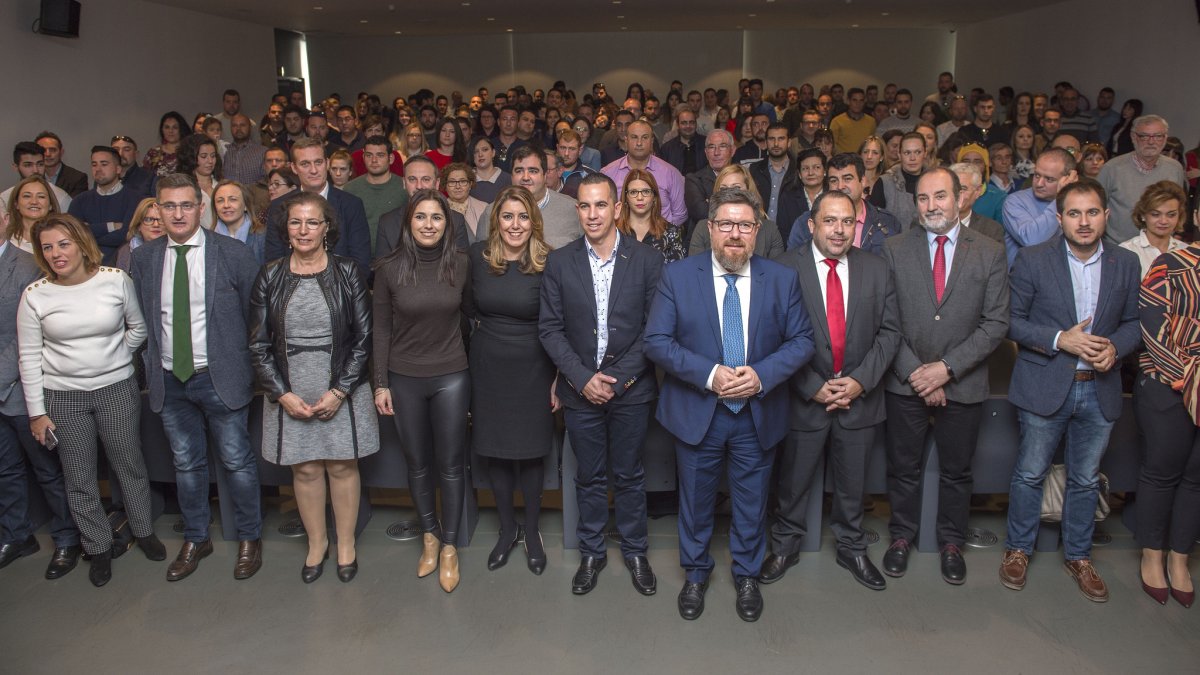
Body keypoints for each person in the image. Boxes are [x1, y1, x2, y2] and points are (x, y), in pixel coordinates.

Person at [644, 186, 813, 621]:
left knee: (752, 501)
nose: (734, 234)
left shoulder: (781, 279)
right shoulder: (679, 277)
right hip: (698, 411)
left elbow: (801, 341)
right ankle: (696, 575)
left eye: (744, 225)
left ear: (757, 231)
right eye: (725, 224)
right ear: (709, 228)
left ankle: (747, 575)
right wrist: (710, 374)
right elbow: (657, 342)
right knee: (696, 502)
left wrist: (762, 375)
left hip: (757, 412)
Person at [1001, 179, 1141, 602]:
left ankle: (1079, 556)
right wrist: (1062, 339)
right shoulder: (1032, 259)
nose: (1084, 222)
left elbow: (1135, 322)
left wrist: (1115, 348)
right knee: (1029, 473)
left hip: (1099, 387)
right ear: (1059, 218)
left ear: (1106, 216)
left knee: (1083, 479)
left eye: (1092, 212)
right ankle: (1018, 550)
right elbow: (1010, 320)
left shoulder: (1126, 262)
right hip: (1045, 383)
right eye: (1075, 213)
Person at [129, 173, 264, 582]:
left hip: (220, 375)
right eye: (168, 206)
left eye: (186, 205)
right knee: (186, 464)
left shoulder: (233, 253)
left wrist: (252, 370)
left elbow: (254, 318)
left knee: (237, 461)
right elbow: (147, 320)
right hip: (170, 378)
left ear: (200, 207)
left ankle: (249, 537)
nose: (178, 213)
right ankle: (195, 536)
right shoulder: (145, 258)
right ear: (157, 209)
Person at [763, 191, 899, 590]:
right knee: (793, 481)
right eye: (829, 221)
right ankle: (785, 546)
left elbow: (890, 333)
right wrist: (812, 387)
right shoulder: (785, 269)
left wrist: (859, 382)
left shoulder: (876, 268)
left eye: (846, 222)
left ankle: (852, 547)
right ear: (811, 225)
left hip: (860, 397)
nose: (838, 230)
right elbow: (772, 337)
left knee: (853, 483)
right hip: (804, 398)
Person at [17, 214, 163, 587]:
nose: (55, 254)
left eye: (63, 244)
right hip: (63, 398)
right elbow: (29, 357)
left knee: (128, 462)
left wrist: (114, 356)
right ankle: (98, 547)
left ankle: (143, 531)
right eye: (47, 247)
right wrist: (37, 413)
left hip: (116, 388)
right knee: (79, 475)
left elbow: (139, 328)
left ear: (82, 244)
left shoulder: (115, 280)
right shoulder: (36, 295)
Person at [880, 168, 1010, 586]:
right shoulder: (894, 248)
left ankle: (951, 543)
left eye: (940, 196)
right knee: (903, 468)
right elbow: (885, 321)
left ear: (960, 199)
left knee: (957, 471)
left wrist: (946, 370)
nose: (932, 206)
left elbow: (995, 324)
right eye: (923, 198)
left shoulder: (989, 250)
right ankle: (901, 536)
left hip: (964, 383)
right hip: (906, 380)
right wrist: (918, 373)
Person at [538, 173, 663, 598]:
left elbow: (654, 331)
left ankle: (635, 552)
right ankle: (592, 552)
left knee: (629, 475)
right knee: (588, 478)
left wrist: (618, 379)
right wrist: (582, 378)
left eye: (601, 205)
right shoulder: (560, 262)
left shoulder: (647, 260)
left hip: (632, 390)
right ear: (578, 211)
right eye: (585, 206)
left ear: (617, 208)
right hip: (579, 391)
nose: (593, 214)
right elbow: (551, 330)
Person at [249, 192, 376, 584]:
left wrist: (339, 391)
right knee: (304, 470)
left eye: (312, 222)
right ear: (285, 230)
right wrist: (282, 393)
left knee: (341, 465)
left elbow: (364, 338)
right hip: (290, 386)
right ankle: (316, 544)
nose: (303, 230)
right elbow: (256, 343)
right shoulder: (269, 275)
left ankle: (345, 544)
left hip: (341, 383)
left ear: (326, 229)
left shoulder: (349, 271)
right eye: (295, 223)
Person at [373, 189, 471, 594]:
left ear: (448, 225)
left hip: (451, 374)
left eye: (437, 217)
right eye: (421, 217)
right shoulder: (389, 268)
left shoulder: (462, 265)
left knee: (450, 465)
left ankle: (449, 546)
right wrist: (380, 382)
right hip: (404, 377)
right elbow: (380, 328)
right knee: (417, 465)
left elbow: (470, 320)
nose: (429, 224)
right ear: (407, 223)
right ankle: (428, 537)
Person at [468, 185, 557, 575]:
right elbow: (467, 309)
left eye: (523, 216)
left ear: (533, 222)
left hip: (535, 367)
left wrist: (558, 378)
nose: (515, 224)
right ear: (495, 221)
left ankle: (533, 531)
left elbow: (559, 323)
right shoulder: (477, 258)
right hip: (487, 364)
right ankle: (507, 529)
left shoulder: (549, 262)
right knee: (496, 450)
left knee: (532, 450)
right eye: (507, 216)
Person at [0, 209, 81, 580]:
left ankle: (67, 538)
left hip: (19, 387)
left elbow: (24, 339)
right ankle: (17, 535)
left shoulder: (29, 266)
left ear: (5, 219)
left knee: (48, 471)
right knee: (6, 470)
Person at [1136, 201, 1200, 609]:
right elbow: (1153, 331)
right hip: (1167, 383)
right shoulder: (1170, 264)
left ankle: (1180, 559)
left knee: (1197, 479)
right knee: (1162, 473)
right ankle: (1152, 556)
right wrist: (1194, 379)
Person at [788, 152, 902, 255]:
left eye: (847, 179)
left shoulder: (887, 222)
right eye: (833, 180)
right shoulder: (805, 223)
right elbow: (794, 266)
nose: (840, 186)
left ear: (862, 181)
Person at [1098, 115, 1187, 246]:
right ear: (1134, 137)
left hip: (1161, 250)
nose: (1151, 142)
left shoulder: (1175, 168)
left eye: (1157, 136)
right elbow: (1096, 209)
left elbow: (1179, 208)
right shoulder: (1111, 169)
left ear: (1165, 138)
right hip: (1118, 248)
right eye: (1144, 136)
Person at [689, 164, 786, 259]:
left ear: (749, 190)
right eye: (723, 189)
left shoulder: (770, 230)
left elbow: (776, 272)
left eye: (736, 188)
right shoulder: (702, 228)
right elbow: (695, 270)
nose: (730, 194)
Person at [67, 146, 145, 263]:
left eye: (104, 164)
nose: (98, 169)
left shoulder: (135, 199)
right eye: (94, 164)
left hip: (123, 264)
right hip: (85, 265)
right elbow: (72, 234)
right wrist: (111, 226)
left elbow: (126, 235)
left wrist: (88, 232)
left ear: (118, 169)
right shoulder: (79, 201)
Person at [1003, 148, 1078, 266]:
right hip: (1024, 278)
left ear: (1067, 179)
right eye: (1037, 175)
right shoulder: (1015, 201)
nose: (1039, 184)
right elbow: (1032, 240)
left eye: (1049, 179)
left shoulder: (1077, 204)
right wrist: (1060, 199)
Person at [343, 135, 408, 255]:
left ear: (391, 158)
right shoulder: (350, 189)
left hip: (395, 259)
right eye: (369, 155)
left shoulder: (405, 188)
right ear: (363, 157)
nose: (374, 160)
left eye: (380, 155)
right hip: (358, 259)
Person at [1119, 181, 1189, 278]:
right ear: (1143, 215)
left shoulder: (1187, 251)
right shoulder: (1126, 251)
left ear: (1179, 215)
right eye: (1155, 214)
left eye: (1171, 215)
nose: (1163, 221)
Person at [616, 169, 685, 263]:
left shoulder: (671, 232)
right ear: (626, 197)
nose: (640, 198)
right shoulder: (614, 231)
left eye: (646, 192)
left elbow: (677, 273)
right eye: (633, 192)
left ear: (654, 197)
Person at [871, 132, 925, 230]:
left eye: (917, 152)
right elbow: (873, 221)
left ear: (925, 153)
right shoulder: (884, 183)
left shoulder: (936, 182)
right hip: (892, 243)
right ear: (899, 155)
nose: (912, 158)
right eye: (907, 153)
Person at [211, 180, 267, 266]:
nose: (226, 205)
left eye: (233, 199)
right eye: (220, 201)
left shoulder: (262, 236)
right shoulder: (208, 239)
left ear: (245, 205)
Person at [5, 176, 60, 253]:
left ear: (50, 205)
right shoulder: (4, 238)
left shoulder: (62, 236)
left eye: (41, 197)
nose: (34, 202)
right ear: (16, 204)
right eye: (27, 196)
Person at [114, 198, 165, 272]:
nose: (156, 224)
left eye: (161, 220)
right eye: (148, 220)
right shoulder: (124, 252)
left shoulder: (176, 252)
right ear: (138, 225)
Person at [443, 163, 488, 243]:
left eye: (463, 181)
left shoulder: (484, 208)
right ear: (445, 186)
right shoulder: (439, 209)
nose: (457, 186)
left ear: (470, 184)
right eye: (452, 182)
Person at [144, 111, 191, 177]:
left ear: (181, 129)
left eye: (175, 127)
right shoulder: (153, 153)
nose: (170, 131)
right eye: (167, 127)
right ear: (162, 130)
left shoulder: (189, 152)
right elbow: (145, 178)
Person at [468, 136, 511, 204]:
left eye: (485, 150)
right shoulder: (466, 179)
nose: (480, 154)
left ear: (493, 153)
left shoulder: (507, 179)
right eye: (476, 151)